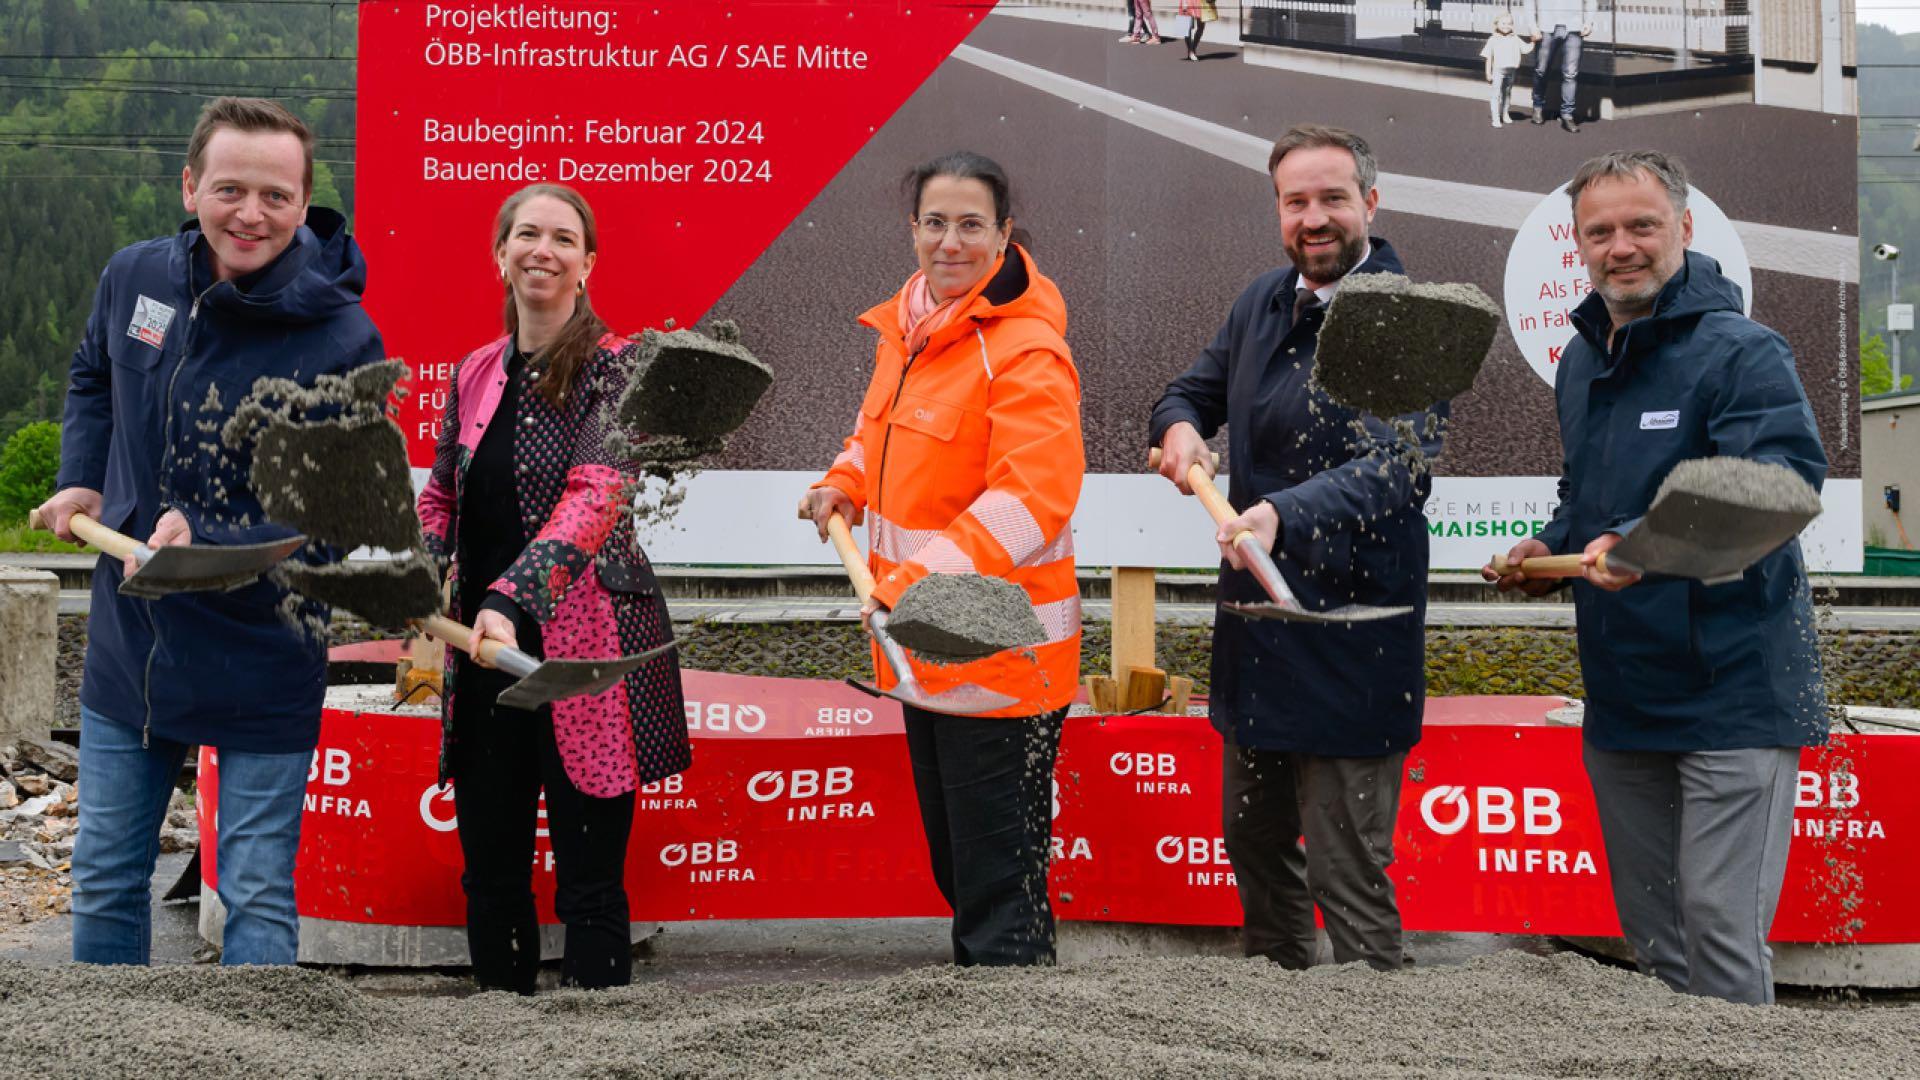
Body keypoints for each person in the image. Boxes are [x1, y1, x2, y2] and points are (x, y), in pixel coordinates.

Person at [35, 97, 384, 965]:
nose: (250, 214)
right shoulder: (136, 277)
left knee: (256, 888)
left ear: (306, 205)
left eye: (275, 196)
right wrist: (81, 473)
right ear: (192, 187)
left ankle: (255, 1052)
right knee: (107, 871)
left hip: (263, 644)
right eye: (230, 189)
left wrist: (220, 533)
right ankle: (111, 1042)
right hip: (135, 635)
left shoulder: (342, 334)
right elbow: (91, 373)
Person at [1485, 150, 1827, 1006]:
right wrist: (1547, 552)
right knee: (1652, 930)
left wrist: (1637, 542)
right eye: (1600, 232)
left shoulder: (1745, 352)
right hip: (1624, 695)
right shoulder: (1580, 361)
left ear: (1685, 227)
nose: (1622, 246)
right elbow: (1585, 498)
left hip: (1735, 692)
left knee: (1718, 923)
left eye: (1642, 225)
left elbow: (1780, 486)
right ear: (1578, 244)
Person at [1148, 124, 1444, 973]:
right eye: (1295, 202)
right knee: (1255, 845)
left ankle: (1372, 1031)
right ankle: (1276, 1022)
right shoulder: (1261, 302)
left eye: (1331, 198)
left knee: (1347, 870)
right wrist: (1180, 433)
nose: (1313, 218)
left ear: (1370, 205)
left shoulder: (1405, 319)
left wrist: (1280, 513)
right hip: (1257, 629)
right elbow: (1187, 391)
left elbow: (1399, 467)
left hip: (1355, 634)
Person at [801, 151, 1084, 966]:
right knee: (960, 869)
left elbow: (1033, 498)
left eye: (970, 225)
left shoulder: (1024, 350)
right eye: (935, 223)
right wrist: (843, 483)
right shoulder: (911, 327)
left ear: (1003, 234)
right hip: (924, 652)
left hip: (999, 664)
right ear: (912, 230)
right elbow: (879, 435)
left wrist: (913, 584)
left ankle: (1013, 1031)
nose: (950, 242)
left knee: (999, 891)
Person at [416, 183, 687, 993]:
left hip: (585, 657)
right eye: (526, 234)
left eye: (563, 238)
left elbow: (596, 494)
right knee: (491, 871)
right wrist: (419, 578)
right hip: (482, 657)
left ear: (588, 264)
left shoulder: (622, 368)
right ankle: (501, 1024)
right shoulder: (472, 372)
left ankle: (598, 1035)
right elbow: (441, 496)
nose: (543, 249)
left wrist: (510, 598)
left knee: (590, 878)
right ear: (500, 254)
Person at [1523, 0, 1594, 132]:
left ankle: (1567, 114)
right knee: (1541, 70)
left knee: (1571, 74)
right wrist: (1532, 26)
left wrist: (1589, 22)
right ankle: (1538, 107)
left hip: (1573, 27)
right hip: (1546, 27)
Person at [1481, 13, 1529, 127]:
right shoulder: (1493, 39)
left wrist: (1534, 41)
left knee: (1507, 93)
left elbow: (1526, 48)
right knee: (1495, 95)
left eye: (1509, 23)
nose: (1506, 26)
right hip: (1498, 71)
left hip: (1511, 72)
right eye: (1503, 23)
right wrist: (1488, 73)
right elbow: (1488, 57)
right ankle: (1496, 118)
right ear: (1496, 24)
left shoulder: (1515, 38)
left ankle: (1505, 113)